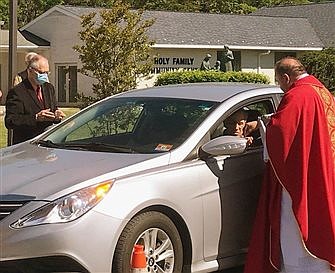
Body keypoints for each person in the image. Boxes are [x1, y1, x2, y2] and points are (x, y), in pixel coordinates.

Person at [244, 57, 335, 273]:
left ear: (286, 77)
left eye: (279, 82)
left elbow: (282, 132)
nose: (281, 87)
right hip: (322, 168)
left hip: (301, 175)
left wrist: (261, 126)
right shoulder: (322, 92)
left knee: (296, 228)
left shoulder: (297, 95)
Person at [5, 54, 65, 145]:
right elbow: (11, 121)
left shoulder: (49, 88)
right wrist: (36, 118)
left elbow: (52, 109)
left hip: (47, 143)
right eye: (41, 73)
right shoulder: (17, 92)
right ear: (30, 71)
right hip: (27, 144)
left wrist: (56, 116)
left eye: (47, 73)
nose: (44, 76)